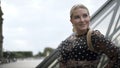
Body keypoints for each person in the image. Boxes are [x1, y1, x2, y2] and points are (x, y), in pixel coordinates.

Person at [57, 4, 120, 68]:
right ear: (71, 21)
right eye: (77, 17)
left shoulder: (95, 37)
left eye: (85, 16)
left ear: (89, 17)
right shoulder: (66, 42)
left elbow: (117, 55)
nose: (82, 20)